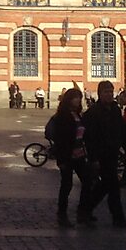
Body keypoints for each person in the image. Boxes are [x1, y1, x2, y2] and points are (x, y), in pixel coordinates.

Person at [80, 81, 126, 228]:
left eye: (111, 91)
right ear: (99, 94)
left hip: (112, 154)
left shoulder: (115, 110)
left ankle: (85, 210)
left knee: (106, 185)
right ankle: (118, 218)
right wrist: (93, 158)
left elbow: (123, 132)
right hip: (100, 155)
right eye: (106, 92)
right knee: (112, 186)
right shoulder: (93, 113)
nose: (109, 94)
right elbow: (89, 138)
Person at [47, 88, 92, 227]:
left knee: (88, 182)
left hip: (79, 155)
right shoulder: (62, 116)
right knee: (66, 186)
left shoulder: (78, 115)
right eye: (74, 97)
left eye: (79, 97)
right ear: (68, 100)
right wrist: (61, 160)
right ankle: (62, 215)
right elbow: (60, 140)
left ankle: (82, 212)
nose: (77, 100)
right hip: (67, 156)